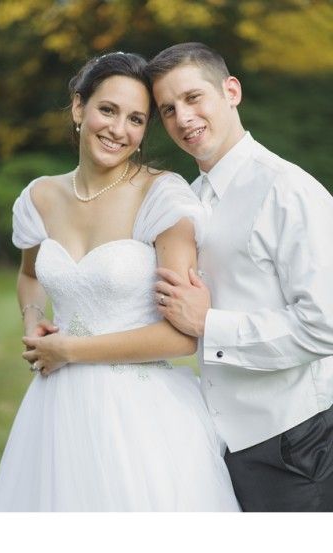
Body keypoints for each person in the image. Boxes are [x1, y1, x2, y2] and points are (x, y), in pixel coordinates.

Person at [0, 52, 240, 511]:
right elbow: (29, 277)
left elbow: (182, 336)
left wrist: (68, 350)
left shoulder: (162, 196)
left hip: (138, 417)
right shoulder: (40, 196)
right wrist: (32, 320)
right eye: (108, 110)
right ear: (78, 107)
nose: (118, 129)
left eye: (137, 119)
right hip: (55, 407)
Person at [149, 42, 333, 511]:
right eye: (168, 109)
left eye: (193, 98)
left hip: (293, 445)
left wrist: (210, 326)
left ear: (231, 91)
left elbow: (324, 324)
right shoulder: (187, 200)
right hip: (218, 446)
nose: (182, 118)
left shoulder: (289, 190)